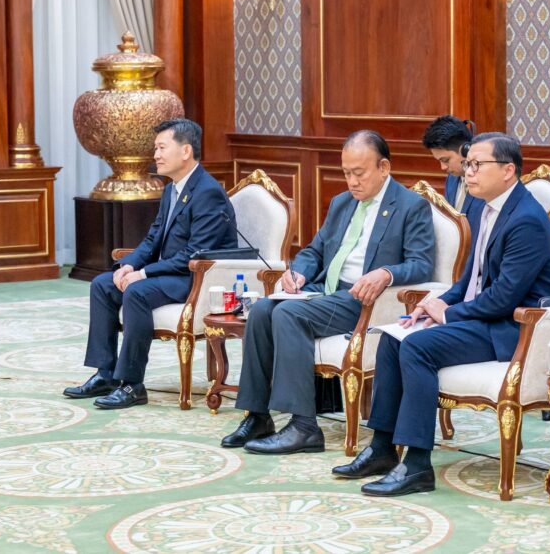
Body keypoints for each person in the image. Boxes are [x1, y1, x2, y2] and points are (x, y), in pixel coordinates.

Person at [332, 133, 550, 496]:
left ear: (507, 170)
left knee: (417, 347)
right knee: (393, 340)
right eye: (467, 164)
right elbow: (468, 280)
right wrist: (431, 304)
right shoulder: (485, 208)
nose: (467, 172)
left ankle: (417, 465)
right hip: (481, 319)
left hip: (513, 329)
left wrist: (449, 314)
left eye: (477, 165)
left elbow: (504, 298)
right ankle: (382, 448)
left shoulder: (526, 220)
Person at [221, 130, 435, 455]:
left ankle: (304, 426)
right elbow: (314, 250)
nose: (352, 182)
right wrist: (299, 272)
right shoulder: (342, 203)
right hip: (325, 290)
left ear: (384, 167)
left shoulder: (410, 206)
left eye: (359, 173)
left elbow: (421, 264)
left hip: (363, 299)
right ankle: (258, 416)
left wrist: (386, 273)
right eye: (346, 173)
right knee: (263, 309)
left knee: (289, 314)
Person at [64, 118, 239, 409]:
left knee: (137, 292)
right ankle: (106, 374)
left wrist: (144, 274)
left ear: (185, 151)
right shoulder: (171, 189)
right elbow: (153, 237)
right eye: (155, 148)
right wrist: (128, 266)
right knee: (103, 285)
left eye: (161, 148)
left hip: (198, 278)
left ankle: (132, 384)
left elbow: (195, 254)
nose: (155, 155)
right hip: (173, 273)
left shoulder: (207, 192)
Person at [421, 115, 484, 219]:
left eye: (446, 160)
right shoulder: (451, 179)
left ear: (466, 150)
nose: (443, 167)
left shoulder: (487, 182)